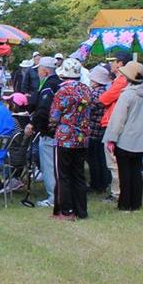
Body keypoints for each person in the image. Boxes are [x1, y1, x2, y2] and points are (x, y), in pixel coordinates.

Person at [103, 61, 143, 212]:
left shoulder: (127, 94)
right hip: (140, 138)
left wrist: (111, 138)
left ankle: (124, 204)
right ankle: (136, 203)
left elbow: (118, 119)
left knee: (125, 173)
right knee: (136, 172)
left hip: (125, 139)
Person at [49, 58, 93, 220]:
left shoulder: (62, 92)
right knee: (79, 175)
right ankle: (81, 210)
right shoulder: (86, 90)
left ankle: (65, 211)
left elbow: (54, 116)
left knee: (63, 176)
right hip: (82, 138)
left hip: (64, 138)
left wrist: (52, 127)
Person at [24, 57, 61, 207]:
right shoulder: (58, 83)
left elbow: (43, 110)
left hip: (49, 131)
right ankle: (58, 195)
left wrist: (33, 124)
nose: (38, 73)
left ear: (45, 71)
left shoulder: (49, 85)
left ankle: (53, 197)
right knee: (57, 166)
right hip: (58, 131)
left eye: (39, 70)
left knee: (49, 166)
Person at [98, 50, 132, 202]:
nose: (111, 64)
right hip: (113, 121)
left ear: (120, 63)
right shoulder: (122, 80)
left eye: (113, 61)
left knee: (114, 161)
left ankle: (117, 192)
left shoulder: (121, 80)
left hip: (114, 122)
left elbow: (105, 98)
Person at [86, 65, 113, 194]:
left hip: (93, 129)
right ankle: (104, 181)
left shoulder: (95, 93)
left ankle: (97, 183)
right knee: (101, 158)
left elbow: (88, 109)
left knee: (94, 159)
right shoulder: (105, 92)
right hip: (100, 129)